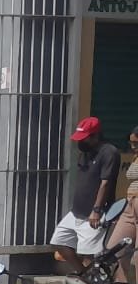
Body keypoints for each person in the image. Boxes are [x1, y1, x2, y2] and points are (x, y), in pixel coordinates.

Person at [51, 116, 121, 272]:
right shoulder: (86, 152)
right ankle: (83, 274)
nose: (80, 142)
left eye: (85, 139)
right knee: (60, 240)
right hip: (76, 212)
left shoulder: (109, 152)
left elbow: (105, 183)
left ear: (95, 136)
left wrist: (96, 210)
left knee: (89, 253)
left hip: (94, 213)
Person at [105, 125, 138, 284]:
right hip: (130, 205)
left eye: (136, 143)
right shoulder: (136, 157)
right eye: (131, 143)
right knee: (115, 249)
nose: (133, 147)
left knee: (137, 257)